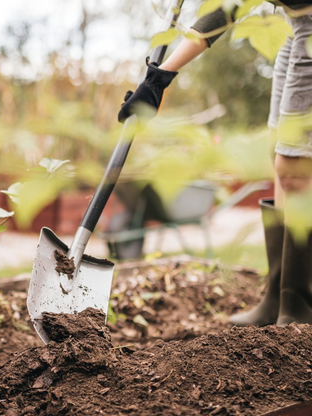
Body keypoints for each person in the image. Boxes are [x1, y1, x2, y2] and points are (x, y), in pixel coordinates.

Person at [118, 2, 312, 326]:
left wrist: (160, 77)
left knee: (295, 164)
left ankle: (299, 307)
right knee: (280, 157)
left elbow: (228, 8)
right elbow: (226, 8)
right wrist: (158, 79)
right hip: (295, 27)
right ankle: (278, 297)